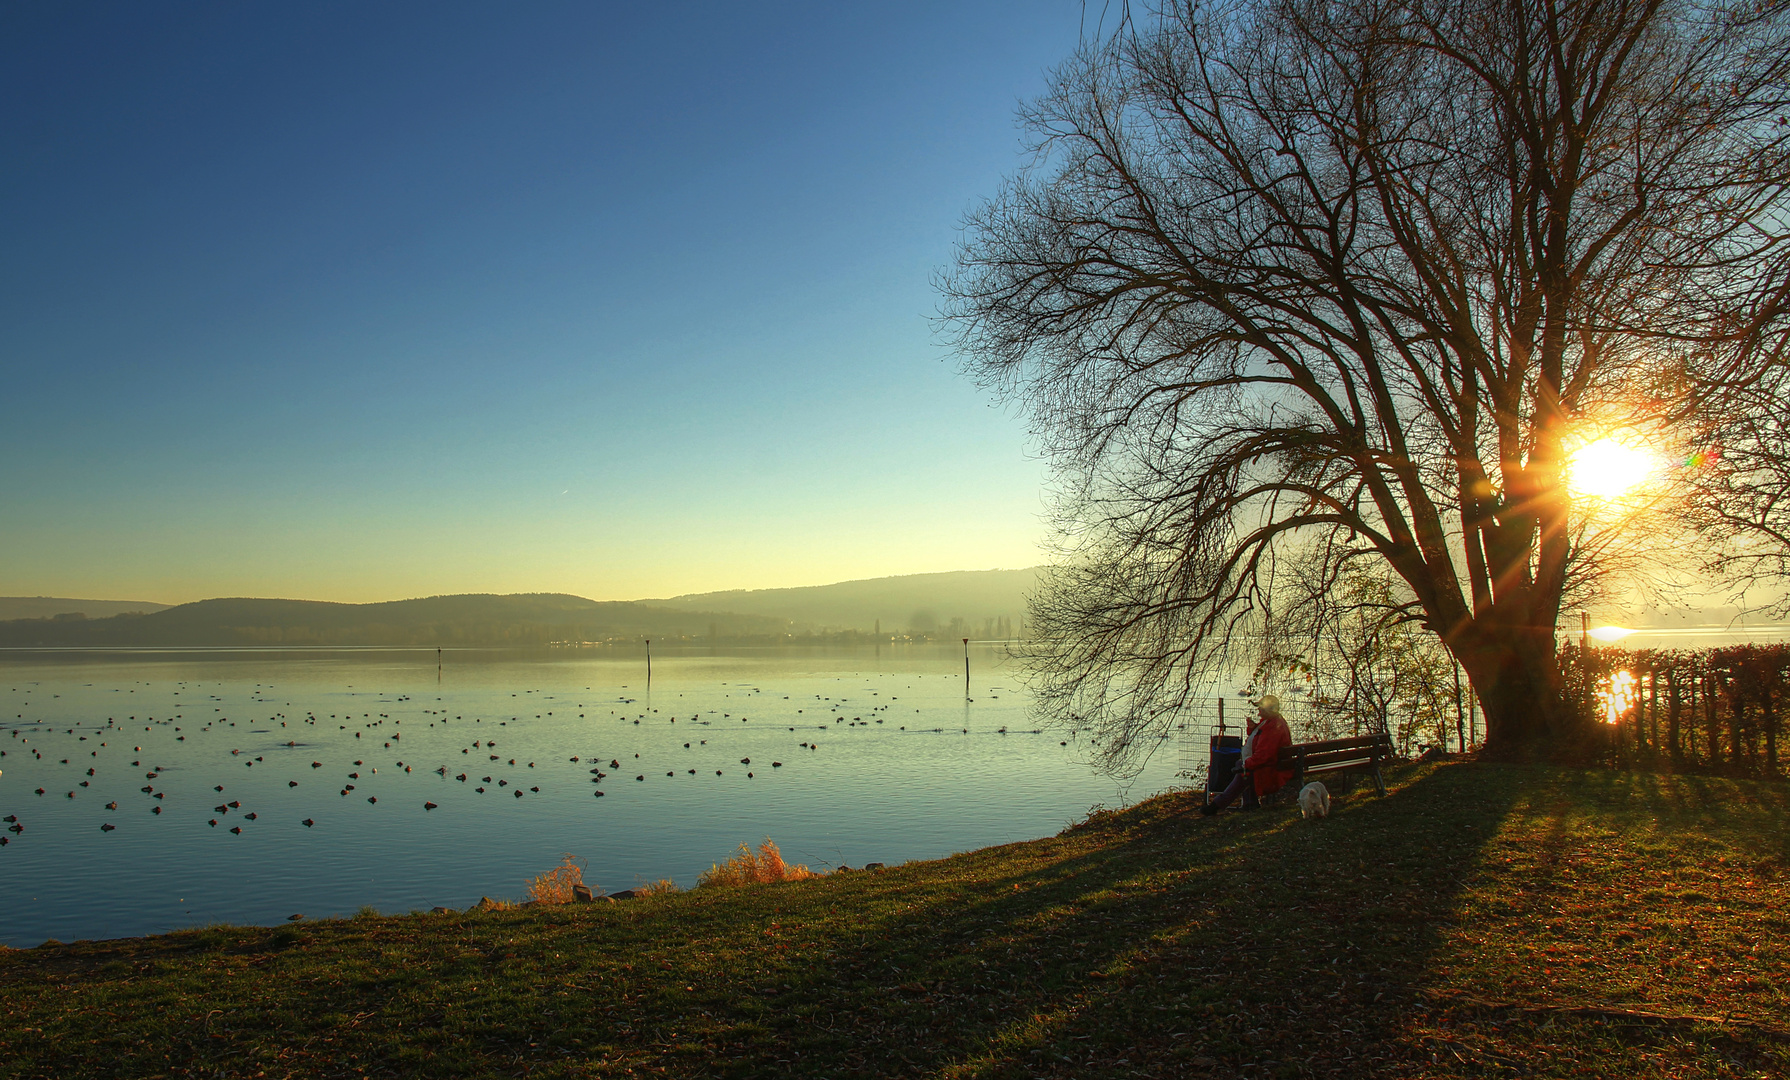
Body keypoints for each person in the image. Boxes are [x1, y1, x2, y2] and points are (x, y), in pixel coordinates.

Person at [1201, 695, 1295, 815]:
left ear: (1268, 710)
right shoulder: (1271, 722)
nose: (1258, 713)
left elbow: (1264, 754)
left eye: (1261, 709)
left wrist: (1247, 764)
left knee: (1243, 772)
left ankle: (1217, 805)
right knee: (1241, 767)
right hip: (1269, 766)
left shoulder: (1273, 727)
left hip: (1269, 770)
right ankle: (1249, 803)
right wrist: (1253, 728)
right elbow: (1260, 741)